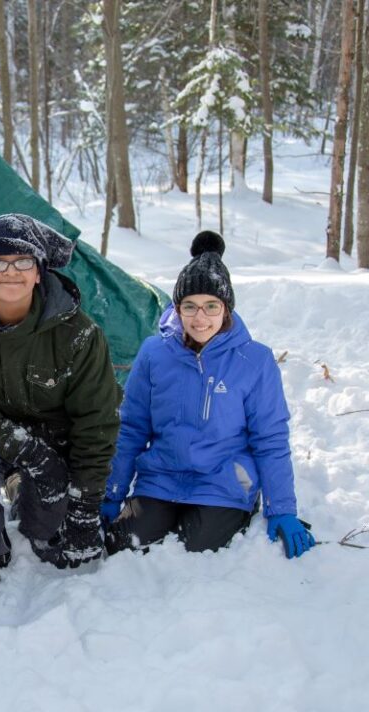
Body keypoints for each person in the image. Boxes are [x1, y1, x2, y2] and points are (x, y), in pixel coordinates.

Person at [102, 231, 315, 559]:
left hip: (223, 483)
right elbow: (131, 427)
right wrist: (112, 491)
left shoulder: (254, 361)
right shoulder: (154, 354)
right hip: (161, 478)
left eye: (210, 306)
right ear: (177, 308)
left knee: (197, 547)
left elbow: (270, 438)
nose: (200, 318)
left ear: (226, 308)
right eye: (190, 306)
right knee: (126, 543)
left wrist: (281, 508)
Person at [0, 213, 122, 589]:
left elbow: (96, 423)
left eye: (23, 261)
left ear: (39, 272)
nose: (11, 272)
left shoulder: (80, 333)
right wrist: (31, 454)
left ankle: (36, 519)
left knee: (47, 526)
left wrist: (84, 511)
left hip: (58, 443)